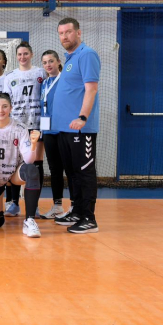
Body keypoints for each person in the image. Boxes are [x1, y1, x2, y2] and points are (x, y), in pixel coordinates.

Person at [52, 17, 101, 234]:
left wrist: (82, 117)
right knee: (72, 173)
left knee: (84, 172)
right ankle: (78, 211)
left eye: (68, 32)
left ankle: (89, 218)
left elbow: (91, 89)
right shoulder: (70, 58)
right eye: (61, 33)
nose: (64, 36)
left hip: (81, 129)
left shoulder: (87, 54)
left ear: (78, 33)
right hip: (65, 128)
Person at [0, 94, 42, 237]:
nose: (1, 110)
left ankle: (29, 221)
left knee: (32, 170)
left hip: (13, 174)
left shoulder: (20, 128)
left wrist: (33, 144)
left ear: (11, 108)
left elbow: (29, 160)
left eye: (5, 106)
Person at [2, 41, 46, 217]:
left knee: (36, 163)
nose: (22, 57)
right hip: (17, 125)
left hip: (37, 124)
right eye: (19, 54)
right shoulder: (10, 76)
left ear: (32, 54)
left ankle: (34, 206)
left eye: (25, 53)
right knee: (15, 162)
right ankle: (14, 203)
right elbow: (6, 101)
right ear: (16, 56)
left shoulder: (40, 73)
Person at [38, 50, 71, 220]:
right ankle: (57, 206)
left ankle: (74, 205)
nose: (48, 65)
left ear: (58, 62)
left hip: (63, 130)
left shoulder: (65, 80)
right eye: (45, 62)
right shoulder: (44, 83)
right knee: (54, 169)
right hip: (48, 131)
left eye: (51, 61)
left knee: (69, 167)